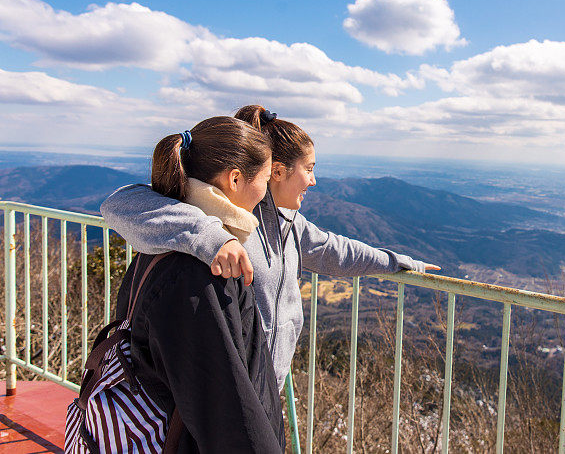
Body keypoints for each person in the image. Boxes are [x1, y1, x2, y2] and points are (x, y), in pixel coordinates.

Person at [101, 105, 439, 391]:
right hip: (225, 388)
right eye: (309, 169)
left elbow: (336, 251)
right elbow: (119, 203)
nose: (313, 180)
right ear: (277, 171)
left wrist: (401, 263)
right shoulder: (224, 214)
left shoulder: (289, 224)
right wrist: (212, 236)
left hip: (262, 385)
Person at [114, 116, 284, 452]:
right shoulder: (202, 273)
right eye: (264, 180)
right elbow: (224, 407)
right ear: (235, 178)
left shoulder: (163, 241)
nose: (265, 195)